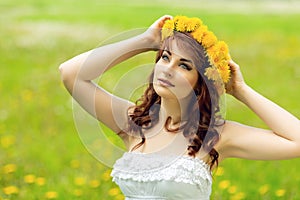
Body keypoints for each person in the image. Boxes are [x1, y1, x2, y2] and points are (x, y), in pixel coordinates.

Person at [59, 15, 300, 200]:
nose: (168, 69)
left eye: (184, 65)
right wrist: (146, 40)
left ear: (200, 84)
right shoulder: (134, 122)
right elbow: (70, 74)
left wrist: (240, 90)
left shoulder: (216, 135)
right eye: (165, 57)